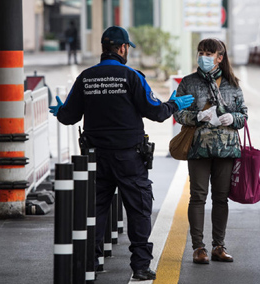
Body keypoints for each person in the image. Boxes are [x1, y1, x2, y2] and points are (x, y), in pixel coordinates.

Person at [49, 26, 194, 280]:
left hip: (95, 158)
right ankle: (140, 267)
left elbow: (68, 117)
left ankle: (90, 263)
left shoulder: (86, 77)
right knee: (139, 209)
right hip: (129, 157)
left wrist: (60, 111)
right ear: (123, 48)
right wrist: (173, 104)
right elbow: (156, 112)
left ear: (104, 48)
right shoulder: (131, 76)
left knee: (94, 209)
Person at [173, 38, 248, 265]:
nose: (203, 57)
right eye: (201, 52)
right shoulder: (188, 83)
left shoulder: (232, 84)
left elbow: (243, 115)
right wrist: (196, 116)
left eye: (209, 53)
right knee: (197, 197)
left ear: (219, 58)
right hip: (198, 148)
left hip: (226, 149)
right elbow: (177, 112)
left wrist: (232, 118)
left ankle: (218, 246)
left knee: (221, 198)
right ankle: (198, 248)